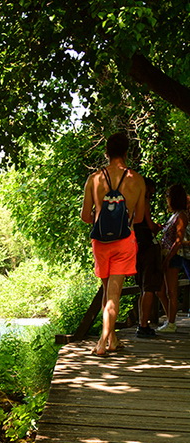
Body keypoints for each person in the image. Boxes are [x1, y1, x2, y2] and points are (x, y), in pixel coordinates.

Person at [81, 132, 146, 356]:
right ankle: (104, 341)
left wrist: (101, 217)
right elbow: (137, 219)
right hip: (124, 242)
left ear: (106, 152)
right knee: (113, 293)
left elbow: (85, 216)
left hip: (101, 242)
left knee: (107, 290)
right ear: (127, 153)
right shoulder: (137, 180)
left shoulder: (94, 179)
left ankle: (110, 340)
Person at [157, 184, 189, 332]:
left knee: (171, 291)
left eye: (169, 196)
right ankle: (170, 319)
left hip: (173, 257)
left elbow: (178, 240)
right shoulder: (174, 214)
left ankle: (171, 323)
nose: (167, 199)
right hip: (166, 255)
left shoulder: (181, 216)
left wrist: (169, 258)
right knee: (160, 291)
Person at [134, 178, 162, 338]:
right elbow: (150, 225)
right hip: (147, 245)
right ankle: (143, 325)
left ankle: (141, 323)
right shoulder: (143, 201)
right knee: (149, 287)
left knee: (142, 287)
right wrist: (156, 227)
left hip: (135, 245)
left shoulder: (130, 201)